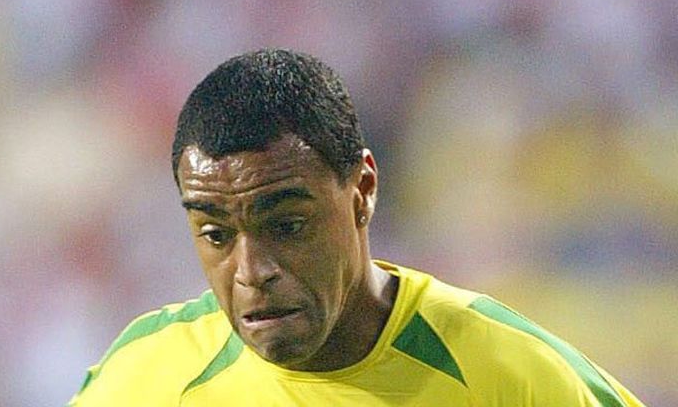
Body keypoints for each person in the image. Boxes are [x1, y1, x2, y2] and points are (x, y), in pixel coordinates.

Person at [68, 49, 645, 406]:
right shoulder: (147, 374)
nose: (251, 272)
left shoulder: (510, 374)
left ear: (363, 190)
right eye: (216, 235)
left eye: (287, 224)